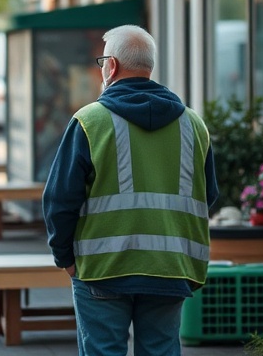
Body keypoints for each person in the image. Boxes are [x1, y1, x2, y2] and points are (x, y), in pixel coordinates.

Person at [42, 25, 219, 356]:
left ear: (111, 66)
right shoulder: (193, 124)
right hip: (171, 266)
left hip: (103, 267)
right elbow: (207, 196)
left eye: (102, 63)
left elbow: (60, 200)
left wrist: (65, 258)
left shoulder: (89, 122)